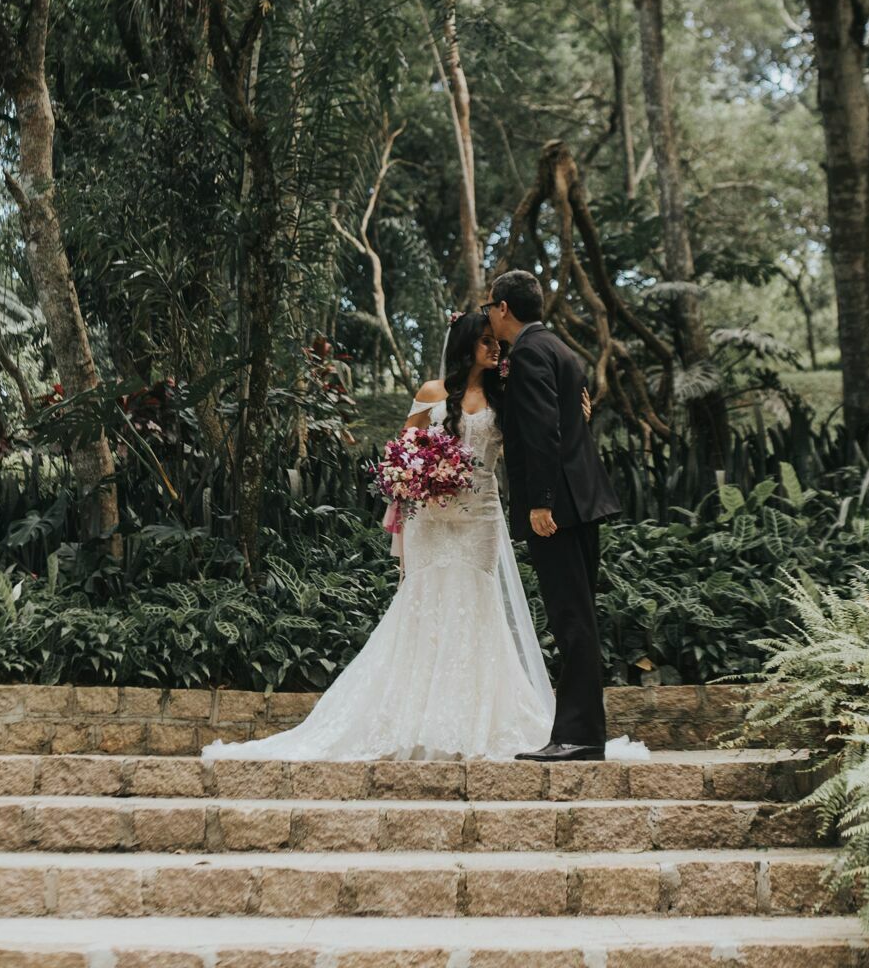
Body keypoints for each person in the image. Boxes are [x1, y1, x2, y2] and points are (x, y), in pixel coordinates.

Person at [202, 311, 554, 762]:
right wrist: (423, 477)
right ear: (467, 346)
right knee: (424, 606)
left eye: (496, 341)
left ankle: (476, 716)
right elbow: (402, 453)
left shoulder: (505, 397)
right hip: (430, 518)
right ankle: (415, 715)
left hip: (480, 518)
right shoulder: (431, 394)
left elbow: (533, 441)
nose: (495, 348)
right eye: (486, 341)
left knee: (476, 605)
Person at [483, 268, 624, 763]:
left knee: (570, 619)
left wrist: (540, 501)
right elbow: (560, 416)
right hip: (583, 501)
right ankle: (583, 732)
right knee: (578, 616)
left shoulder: (527, 354)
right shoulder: (559, 349)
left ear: (504, 308)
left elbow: (541, 432)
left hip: (557, 506)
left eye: (490, 307)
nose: (489, 315)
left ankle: (579, 736)